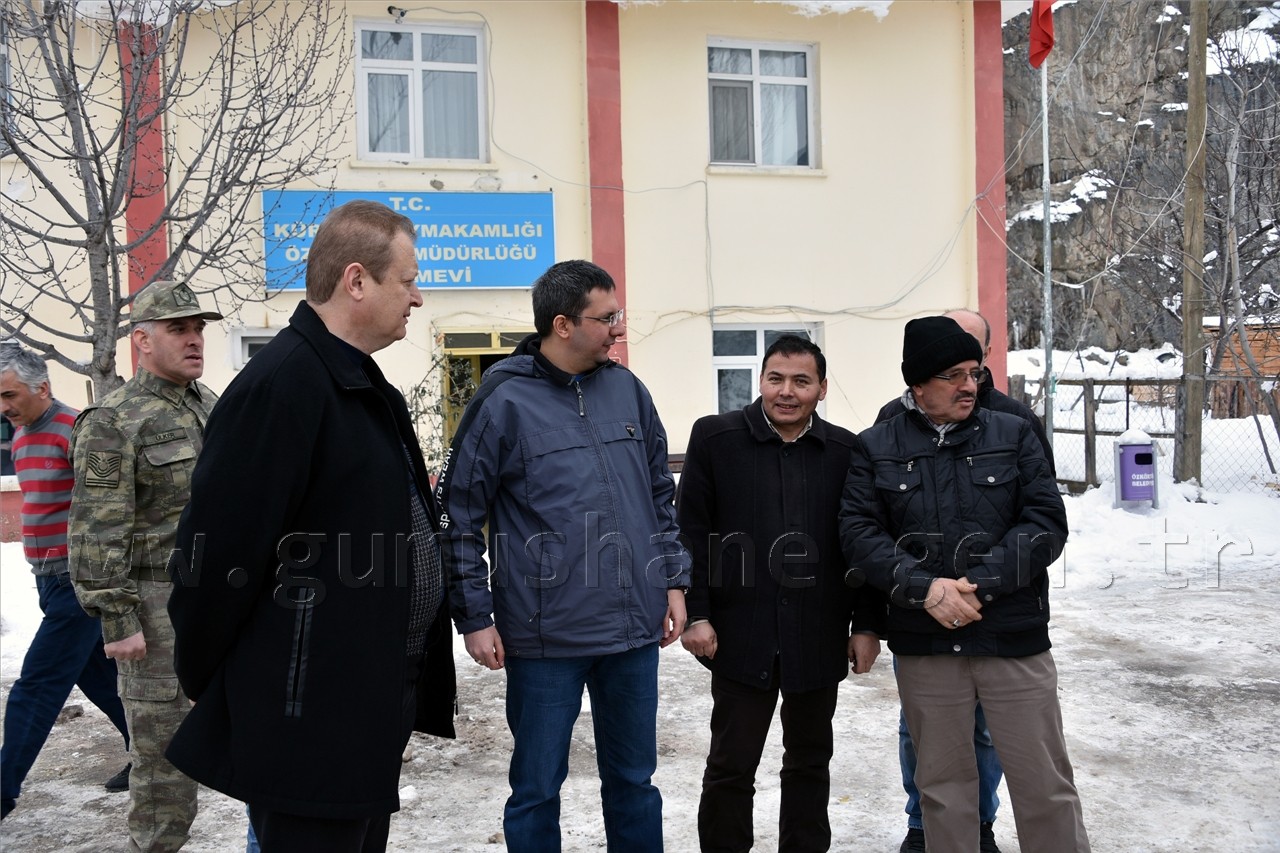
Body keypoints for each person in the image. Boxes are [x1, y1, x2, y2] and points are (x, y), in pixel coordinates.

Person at [165, 200, 456, 853]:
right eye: (407, 279)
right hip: (306, 714)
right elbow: (214, 562)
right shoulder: (283, 386)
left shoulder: (355, 380)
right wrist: (218, 683)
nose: (418, 294)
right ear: (357, 280)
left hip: (362, 703)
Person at [436, 259, 690, 853]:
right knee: (536, 789)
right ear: (563, 324)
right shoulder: (504, 401)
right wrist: (473, 616)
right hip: (543, 637)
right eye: (607, 318)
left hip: (632, 631)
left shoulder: (628, 389)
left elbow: (659, 494)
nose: (618, 330)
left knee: (634, 782)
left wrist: (673, 581)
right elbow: (458, 514)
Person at [840, 315, 1089, 853]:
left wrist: (977, 584)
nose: (969, 385)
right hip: (926, 642)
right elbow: (860, 535)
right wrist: (926, 589)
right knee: (944, 794)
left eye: (973, 373)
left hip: (1012, 638)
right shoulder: (876, 444)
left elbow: (1045, 522)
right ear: (918, 384)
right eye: (952, 375)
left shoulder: (1014, 430)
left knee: (1044, 786)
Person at [676, 334, 884, 853]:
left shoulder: (845, 450)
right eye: (775, 378)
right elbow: (691, 534)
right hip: (739, 638)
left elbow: (862, 542)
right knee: (730, 766)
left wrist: (867, 625)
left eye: (800, 381)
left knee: (810, 763)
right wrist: (696, 614)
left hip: (817, 635)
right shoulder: (715, 439)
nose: (786, 391)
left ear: (822, 389)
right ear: (760, 381)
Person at [67, 280, 222, 852]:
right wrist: (118, 619)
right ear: (142, 341)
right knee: (163, 766)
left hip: (220, 600)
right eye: (178, 329)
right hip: (156, 608)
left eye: (198, 329)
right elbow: (96, 528)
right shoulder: (114, 420)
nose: (193, 340)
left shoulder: (210, 405)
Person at [0, 342, 130, 821]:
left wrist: (104, 576)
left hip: (80, 580)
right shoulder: (20, 434)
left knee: (36, 684)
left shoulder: (78, 430)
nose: (4, 407)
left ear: (43, 387)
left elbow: (110, 506)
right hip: (47, 579)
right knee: (94, 671)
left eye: (10, 395)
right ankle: (152, 750)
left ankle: (2, 789)